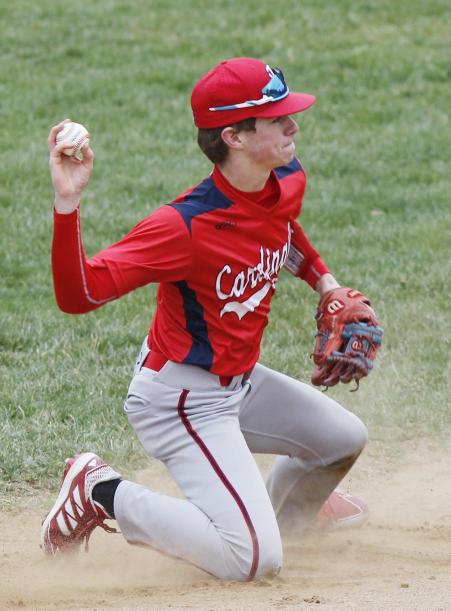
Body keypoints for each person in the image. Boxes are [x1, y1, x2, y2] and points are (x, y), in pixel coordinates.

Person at [40, 58, 375, 581]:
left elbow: (280, 229)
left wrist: (325, 282)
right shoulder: (184, 226)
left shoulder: (283, 175)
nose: (294, 126)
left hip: (239, 385)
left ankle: (280, 520)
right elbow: (80, 294)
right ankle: (99, 490)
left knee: (342, 440)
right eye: (277, 118)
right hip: (181, 400)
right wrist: (68, 203)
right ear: (234, 138)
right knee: (252, 562)